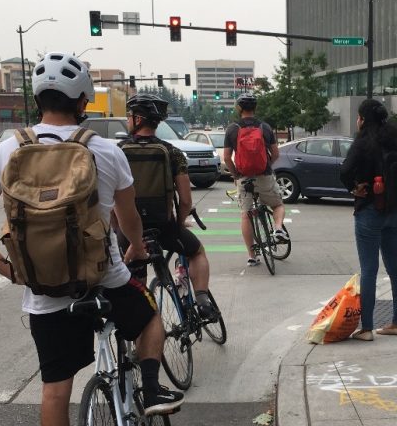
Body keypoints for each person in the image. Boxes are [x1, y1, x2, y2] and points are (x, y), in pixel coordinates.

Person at [0, 51, 183, 426]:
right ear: (82, 101)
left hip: (45, 294)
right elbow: (128, 217)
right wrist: (136, 247)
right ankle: (153, 389)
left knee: (55, 390)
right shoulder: (103, 149)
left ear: (38, 99)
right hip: (106, 280)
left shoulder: (7, 150)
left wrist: (9, 269)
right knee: (151, 320)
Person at [119, 92, 217, 319]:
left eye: (129, 115)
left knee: (135, 274)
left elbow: (109, 201)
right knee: (196, 251)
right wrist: (179, 223)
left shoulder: (118, 151)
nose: (127, 120)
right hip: (163, 226)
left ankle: (139, 322)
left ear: (138, 119)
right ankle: (202, 299)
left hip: (129, 232)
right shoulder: (172, 152)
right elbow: (185, 200)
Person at [340, 98, 397, 341]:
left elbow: (345, 171)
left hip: (369, 209)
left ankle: (367, 328)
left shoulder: (362, 143)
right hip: (394, 211)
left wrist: (354, 188)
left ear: (362, 120)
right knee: (395, 268)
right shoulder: (396, 141)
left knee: (369, 269)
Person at [223, 92, 288, 267]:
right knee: (277, 205)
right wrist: (267, 164)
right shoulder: (265, 127)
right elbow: (276, 153)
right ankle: (278, 229)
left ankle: (252, 256)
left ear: (239, 109)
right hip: (264, 175)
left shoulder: (232, 128)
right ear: (255, 108)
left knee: (246, 215)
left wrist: (236, 175)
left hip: (244, 178)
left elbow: (227, 157)